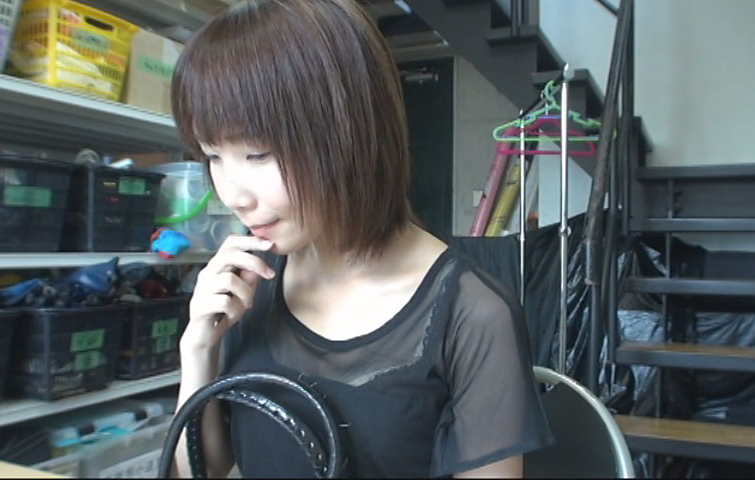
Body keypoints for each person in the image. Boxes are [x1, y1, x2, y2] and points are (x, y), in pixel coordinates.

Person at [171, 0, 553, 477]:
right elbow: (200, 470)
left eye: (258, 154)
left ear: (349, 130)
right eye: (212, 156)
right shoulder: (252, 283)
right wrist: (199, 350)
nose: (232, 195)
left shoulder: (472, 315)